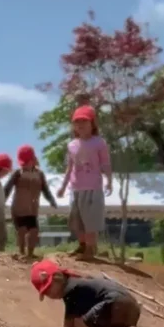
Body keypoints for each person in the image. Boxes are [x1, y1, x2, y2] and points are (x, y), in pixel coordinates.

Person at [30, 260, 145, 327]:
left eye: (48, 289)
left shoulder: (70, 289)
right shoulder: (77, 281)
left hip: (116, 303)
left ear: (58, 278)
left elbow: (69, 322)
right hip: (130, 306)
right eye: (45, 293)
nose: (49, 295)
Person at [57, 105, 112, 261]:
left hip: (93, 187)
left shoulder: (99, 143)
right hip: (75, 188)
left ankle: (90, 249)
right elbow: (70, 167)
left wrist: (109, 181)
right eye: (77, 122)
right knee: (77, 221)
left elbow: (105, 163)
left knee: (91, 221)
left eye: (84, 121)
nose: (80, 125)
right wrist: (62, 187)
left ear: (92, 124)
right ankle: (81, 245)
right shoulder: (71, 145)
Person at [3, 145, 57, 260]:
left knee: (34, 231)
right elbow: (7, 188)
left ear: (33, 160)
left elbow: (45, 189)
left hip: (32, 209)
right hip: (19, 208)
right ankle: (21, 252)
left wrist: (51, 200)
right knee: (22, 230)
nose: (25, 164)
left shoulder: (40, 174)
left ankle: (30, 253)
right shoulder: (18, 173)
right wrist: (2, 201)